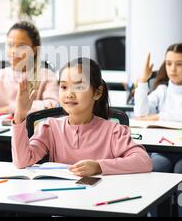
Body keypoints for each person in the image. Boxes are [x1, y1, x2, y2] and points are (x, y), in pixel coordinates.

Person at [11, 57, 152, 176]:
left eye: (78, 87)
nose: (69, 94)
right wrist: (20, 114)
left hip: (100, 201)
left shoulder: (114, 131)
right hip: (60, 200)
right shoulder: (50, 128)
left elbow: (144, 161)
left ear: (97, 92)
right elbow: (22, 161)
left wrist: (99, 167)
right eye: (64, 87)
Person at [134, 43, 182, 217]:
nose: (173, 68)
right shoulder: (162, 90)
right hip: (163, 152)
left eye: (179, 64)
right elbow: (140, 113)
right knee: (155, 171)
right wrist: (142, 81)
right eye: (169, 63)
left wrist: (159, 116)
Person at [0, 21, 58, 161]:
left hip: (34, 146)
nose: (14, 51)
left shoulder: (46, 76)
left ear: (34, 49)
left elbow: (53, 106)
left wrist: (9, 108)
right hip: (0, 146)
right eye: (10, 45)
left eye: (21, 46)